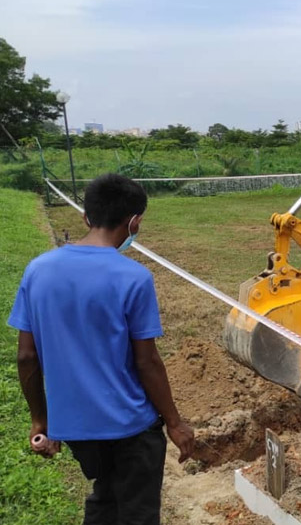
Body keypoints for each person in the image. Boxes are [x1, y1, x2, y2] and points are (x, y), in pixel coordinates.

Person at [9, 173, 194, 525]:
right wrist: (174, 421)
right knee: (137, 513)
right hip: (130, 427)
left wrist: (40, 420)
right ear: (134, 222)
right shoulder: (134, 277)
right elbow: (147, 361)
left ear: (85, 216)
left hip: (78, 430)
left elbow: (26, 356)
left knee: (105, 498)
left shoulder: (37, 271)